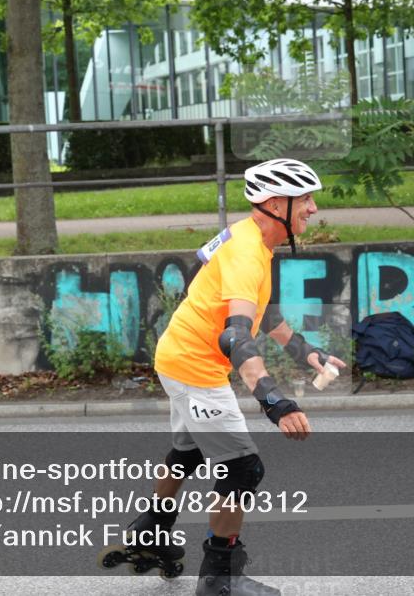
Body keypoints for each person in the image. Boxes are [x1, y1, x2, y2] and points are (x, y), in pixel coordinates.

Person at [129, 158, 347, 595]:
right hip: (194, 366)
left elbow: (260, 312)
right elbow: (236, 336)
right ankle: (219, 579)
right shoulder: (249, 252)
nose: (313, 207)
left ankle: (149, 532)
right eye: (304, 197)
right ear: (274, 203)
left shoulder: (249, 237)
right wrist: (274, 401)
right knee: (243, 468)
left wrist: (306, 352)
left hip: (178, 355)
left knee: (188, 450)